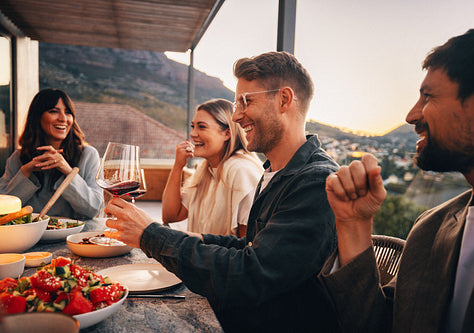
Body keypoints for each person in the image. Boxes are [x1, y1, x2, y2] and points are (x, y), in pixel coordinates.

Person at [103, 51, 340, 332]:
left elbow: (250, 276)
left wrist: (150, 235)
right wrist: (198, 237)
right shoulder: (276, 172)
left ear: (284, 100)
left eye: (246, 101)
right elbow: (253, 245)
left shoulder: (316, 180)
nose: (237, 115)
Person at [319, 23, 474, 333]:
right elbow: (376, 326)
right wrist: (353, 224)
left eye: (427, 97)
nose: (411, 115)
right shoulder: (429, 230)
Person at [162, 98, 262, 236]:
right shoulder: (206, 170)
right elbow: (170, 215)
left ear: (227, 133)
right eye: (193, 126)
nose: (192, 134)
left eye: (201, 126)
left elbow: (247, 243)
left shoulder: (241, 171)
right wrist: (178, 166)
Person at [0, 88, 104, 220]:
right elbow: (2, 212)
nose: (63, 119)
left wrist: (67, 171)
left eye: (68, 113)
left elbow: (93, 209)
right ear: (38, 117)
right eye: (54, 111)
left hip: (74, 237)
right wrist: (26, 171)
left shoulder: (88, 155)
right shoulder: (18, 157)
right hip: (29, 238)